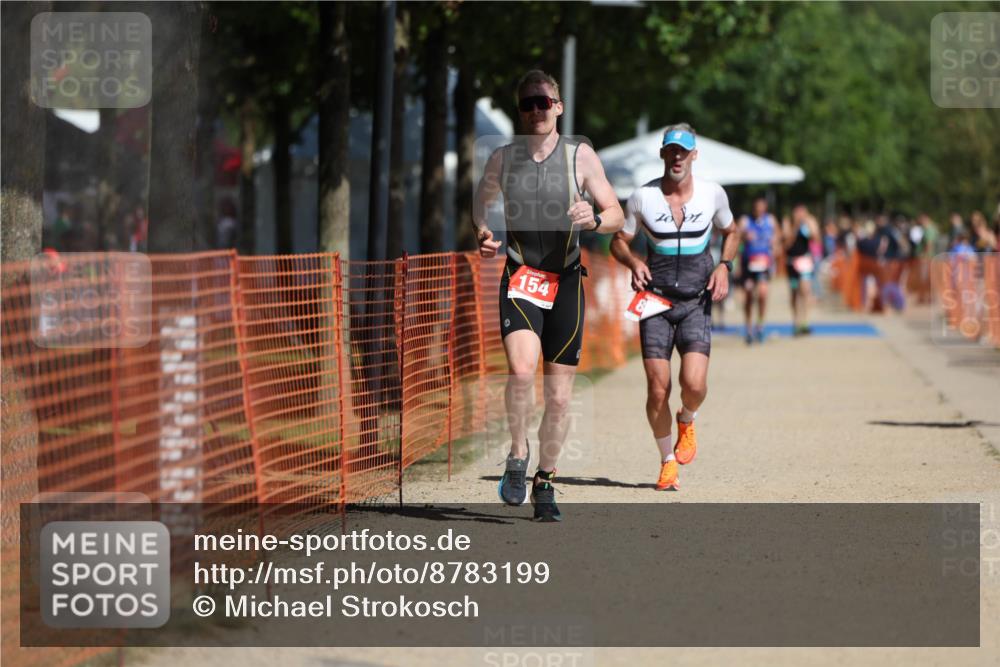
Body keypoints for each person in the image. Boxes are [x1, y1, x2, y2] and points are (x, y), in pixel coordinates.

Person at [472, 69, 624, 521]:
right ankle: (517, 456)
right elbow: (481, 198)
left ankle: (546, 480)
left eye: (544, 102)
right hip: (521, 277)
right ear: (520, 111)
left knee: (558, 397)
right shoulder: (502, 158)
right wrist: (481, 229)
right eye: (528, 104)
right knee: (521, 373)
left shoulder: (581, 158)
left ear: (558, 106)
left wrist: (594, 217)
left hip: (566, 283)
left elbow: (616, 213)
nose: (536, 110)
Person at [609, 123, 738, 491]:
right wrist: (633, 263)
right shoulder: (641, 197)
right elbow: (618, 241)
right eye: (671, 150)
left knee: (693, 384)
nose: (677, 157)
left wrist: (724, 266)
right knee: (657, 387)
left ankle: (688, 418)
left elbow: (732, 232)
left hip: (696, 300)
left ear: (694, 154)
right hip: (654, 301)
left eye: (684, 150)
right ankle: (667, 462)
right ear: (663, 153)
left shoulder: (713, 195)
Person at [738, 196, 779, 344]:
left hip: (764, 264)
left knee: (762, 293)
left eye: (762, 207)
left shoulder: (771, 220)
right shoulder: (745, 221)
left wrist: (775, 244)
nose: (759, 210)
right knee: (749, 295)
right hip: (748, 264)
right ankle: (748, 327)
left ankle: (760, 325)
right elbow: (735, 238)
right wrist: (743, 235)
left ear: (765, 208)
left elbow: (778, 238)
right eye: (756, 208)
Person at [783, 205, 821, 333]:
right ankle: (796, 321)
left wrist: (809, 224)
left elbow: (816, 239)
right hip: (791, 262)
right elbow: (787, 243)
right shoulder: (788, 222)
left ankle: (805, 321)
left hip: (804, 261)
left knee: (805, 291)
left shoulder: (808, 223)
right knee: (794, 292)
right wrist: (796, 226)